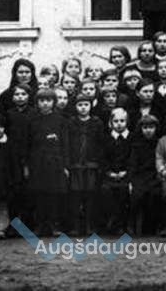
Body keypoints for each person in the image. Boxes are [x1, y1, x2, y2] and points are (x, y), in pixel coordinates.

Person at [26, 89, 68, 236]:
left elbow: (65, 143)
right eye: (42, 100)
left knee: (54, 195)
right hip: (37, 162)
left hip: (55, 162)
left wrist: (65, 165)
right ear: (37, 102)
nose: (45, 103)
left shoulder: (60, 120)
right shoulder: (32, 120)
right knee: (39, 194)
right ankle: (40, 225)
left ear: (53, 102)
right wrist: (27, 164)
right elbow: (28, 143)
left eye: (48, 100)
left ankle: (54, 224)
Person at [67, 93, 105, 236]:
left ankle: (90, 226)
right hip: (76, 165)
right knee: (75, 195)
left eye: (86, 105)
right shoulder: (71, 122)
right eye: (80, 105)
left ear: (91, 106)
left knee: (91, 195)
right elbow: (68, 143)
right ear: (75, 106)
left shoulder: (97, 122)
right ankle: (76, 226)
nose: (83, 108)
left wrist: (98, 162)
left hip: (91, 165)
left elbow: (101, 144)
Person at [101, 108, 132, 235]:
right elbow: (103, 158)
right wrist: (109, 172)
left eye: (122, 121)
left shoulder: (131, 138)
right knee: (106, 190)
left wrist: (126, 172)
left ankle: (122, 223)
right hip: (110, 174)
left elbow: (133, 158)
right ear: (111, 122)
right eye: (116, 121)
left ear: (127, 122)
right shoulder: (106, 138)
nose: (119, 124)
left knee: (124, 190)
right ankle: (112, 220)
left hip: (126, 174)